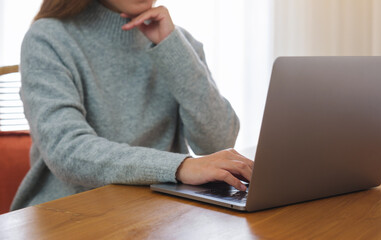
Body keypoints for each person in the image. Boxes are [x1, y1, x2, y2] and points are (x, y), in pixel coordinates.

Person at [11, 0, 254, 211]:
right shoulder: (48, 38)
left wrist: (172, 48)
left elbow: (217, 141)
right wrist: (180, 167)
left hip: (160, 210)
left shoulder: (176, 41)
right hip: (69, 213)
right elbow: (66, 150)